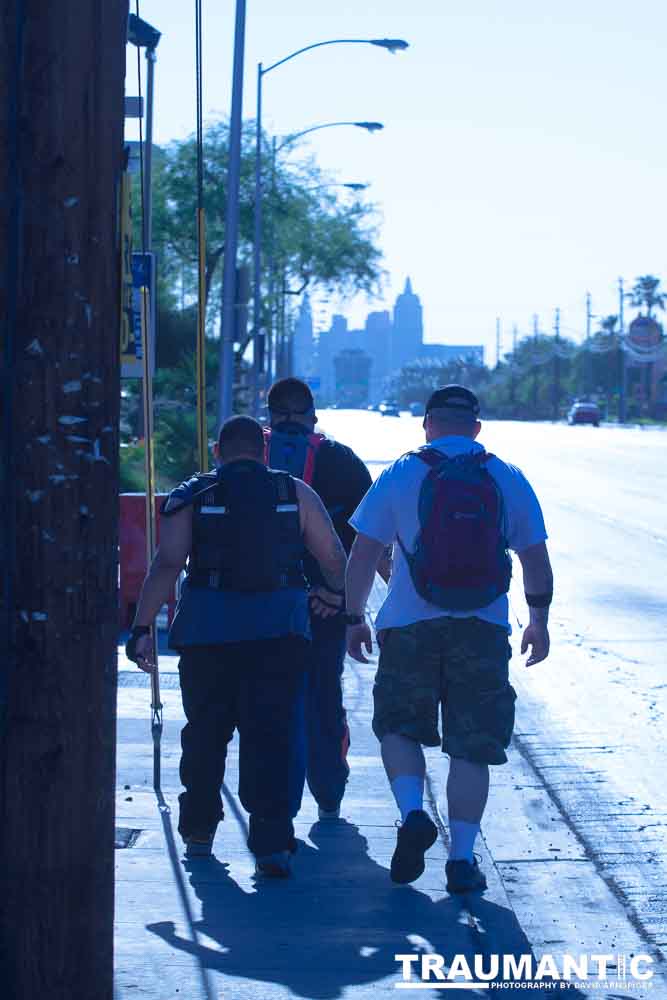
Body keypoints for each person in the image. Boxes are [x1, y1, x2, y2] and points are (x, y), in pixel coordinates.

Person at [344, 385, 553, 893]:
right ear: (476, 429)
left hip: (409, 627)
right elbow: (536, 561)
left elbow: (363, 556)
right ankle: (461, 860)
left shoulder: (400, 473)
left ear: (427, 425)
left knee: (398, 726)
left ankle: (414, 812)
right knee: (472, 746)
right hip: (481, 630)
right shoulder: (506, 477)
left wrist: (354, 617)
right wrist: (539, 620)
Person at [125, 415, 347, 876]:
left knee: (206, 733)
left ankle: (200, 831)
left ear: (217, 451)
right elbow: (332, 556)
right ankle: (269, 840)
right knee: (270, 733)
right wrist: (335, 597)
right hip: (281, 632)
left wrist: (142, 626)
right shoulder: (294, 493)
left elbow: (167, 564)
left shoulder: (193, 496)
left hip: (208, 633)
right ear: (263, 452)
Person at [263, 378, 388, 820]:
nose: (292, 422)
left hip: (266, 608)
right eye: (287, 413)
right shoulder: (343, 461)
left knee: (275, 700)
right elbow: (372, 541)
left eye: (294, 413)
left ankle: (286, 802)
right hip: (318, 607)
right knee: (319, 695)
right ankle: (327, 791)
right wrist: (341, 597)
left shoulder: (244, 456)